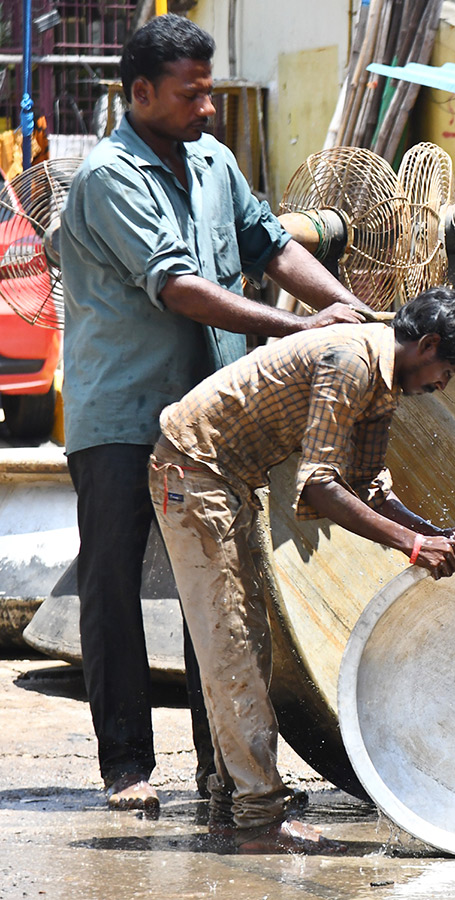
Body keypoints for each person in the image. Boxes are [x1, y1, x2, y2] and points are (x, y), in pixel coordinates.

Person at [60, 13, 369, 815]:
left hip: (213, 423)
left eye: (209, 91)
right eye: (191, 96)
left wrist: (349, 310)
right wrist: (303, 332)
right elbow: (178, 287)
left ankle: (224, 767)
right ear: (140, 94)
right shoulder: (109, 174)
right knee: (113, 586)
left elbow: (272, 247)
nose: (208, 108)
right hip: (125, 416)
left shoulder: (214, 161)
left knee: (222, 589)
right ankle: (126, 766)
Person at [148, 287, 455, 854]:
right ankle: (258, 820)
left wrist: (435, 534)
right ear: (428, 345)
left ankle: (229, 804)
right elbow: (318, 485)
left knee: (245, 646)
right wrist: (414, 546)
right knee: (233, 647)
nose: (442, 387)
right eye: (447, 372)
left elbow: (365, 488)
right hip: (193, 471)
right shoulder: (352, 360)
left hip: (226, 481)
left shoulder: (384, 384)